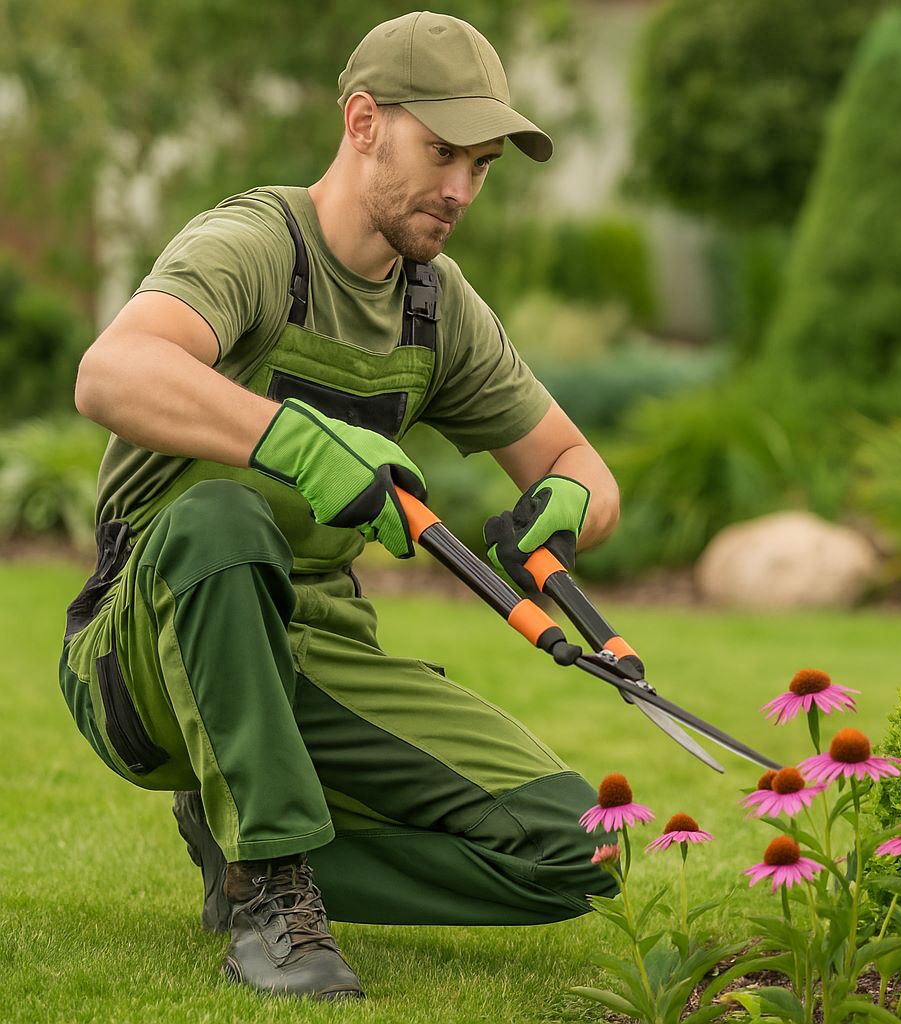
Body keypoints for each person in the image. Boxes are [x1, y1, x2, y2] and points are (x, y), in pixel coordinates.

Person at [62, 10, 620, 1001]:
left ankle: (246, 851)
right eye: (442, 151)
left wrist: (570, 502)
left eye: (482, 165)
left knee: (581, 848)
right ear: (363, 122)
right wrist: (296, 441)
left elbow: (580, 462)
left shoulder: (435, 306)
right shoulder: (254, 245)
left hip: (316, 650)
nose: (461, 189)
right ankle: (271, 887)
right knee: (220, 518)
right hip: (146, 646)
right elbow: (110, 372)